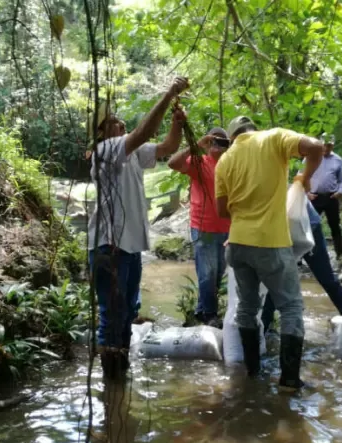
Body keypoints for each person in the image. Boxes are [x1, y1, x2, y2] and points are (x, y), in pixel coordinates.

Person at [88, 77, 190, 380]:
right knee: (111, 317)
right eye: (115, 123)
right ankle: (112, 385)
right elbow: (143, 131)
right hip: (110, 245)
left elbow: (167, 146)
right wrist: (168, 93)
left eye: (121, 124)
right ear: (102, 133)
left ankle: (120, 381)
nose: (121, 126)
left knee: (127, 314)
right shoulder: (106, 150)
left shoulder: (130, 153)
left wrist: (177, 124)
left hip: (129, 248)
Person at [215, 115, 325, 391]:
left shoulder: (225, 160)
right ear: (254, 129)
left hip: (238, 244)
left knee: (247, 308)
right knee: (290, 307)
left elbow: (220, 211)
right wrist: (305, 177)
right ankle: (289, 380)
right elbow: (316, 148)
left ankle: (253, 372)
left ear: (232, 138)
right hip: (272, 244)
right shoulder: (274, 137)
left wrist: (245, 210)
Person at [261, 198, 342, 329]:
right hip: (288, 232)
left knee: (326, 279)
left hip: (309, 230)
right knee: (277, 281)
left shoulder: (284, 189)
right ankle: (265, 326)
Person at [168, 128, 232, 328]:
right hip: (203, 226)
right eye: (215, 141)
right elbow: (173, 163)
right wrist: (197, 145)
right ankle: (210, 315)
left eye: (223, 142)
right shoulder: (200, 163)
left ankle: (200, 310)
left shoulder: (232, 165)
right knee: (207, 273)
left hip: (227, 227)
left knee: (219, 271)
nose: (218, 146)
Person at [306, 133, 342, 263]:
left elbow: (341, 180)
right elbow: (301, 177)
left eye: (329, 145)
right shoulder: (310, 157)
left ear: (333, 145)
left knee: (335, 225)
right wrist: (307, 193)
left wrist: (340, 191)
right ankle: (306, 254)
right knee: (309, 225)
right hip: (314, 197)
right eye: (324, 145)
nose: (326, 148)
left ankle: (339, 254)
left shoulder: (338, 160)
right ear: (320, 144)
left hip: (331, 197)